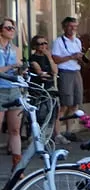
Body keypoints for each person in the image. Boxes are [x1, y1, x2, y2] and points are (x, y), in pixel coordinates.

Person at [51, 16, 85, 128]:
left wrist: (81, 59)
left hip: (76, 72)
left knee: (75, 103)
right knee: (65, 104)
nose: (72, 29)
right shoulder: (59, 41)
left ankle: (69, 131)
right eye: (70, 26)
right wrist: (71, 56)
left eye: (75, 27)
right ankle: (58, 132)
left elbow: (79, 58)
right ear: (64, 27)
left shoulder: (77, 41)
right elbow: (55, 59)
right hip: (65, 72)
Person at [0, 18, 24, 168]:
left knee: (15, 129)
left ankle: (17, 167)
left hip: (14, 89)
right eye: (8, 28)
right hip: (0, 89)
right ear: (0, 30)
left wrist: (22, 69)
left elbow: (18, 68)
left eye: (13, 28)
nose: (11, 31)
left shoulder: (15, 49)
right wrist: (11, 66)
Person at [28, 35, 58, 142]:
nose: (43, 46)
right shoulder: (33, 58)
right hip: (38, 87)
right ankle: (34, 135)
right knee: (39, 112)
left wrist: (49, 57)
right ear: (35, 46)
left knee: (52, 110)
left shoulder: (47, 56)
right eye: (41, 44)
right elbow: (39, 72)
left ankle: (48, 134)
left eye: (45, 43)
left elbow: (55, 71)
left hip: (49, 86)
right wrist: (45, 74)